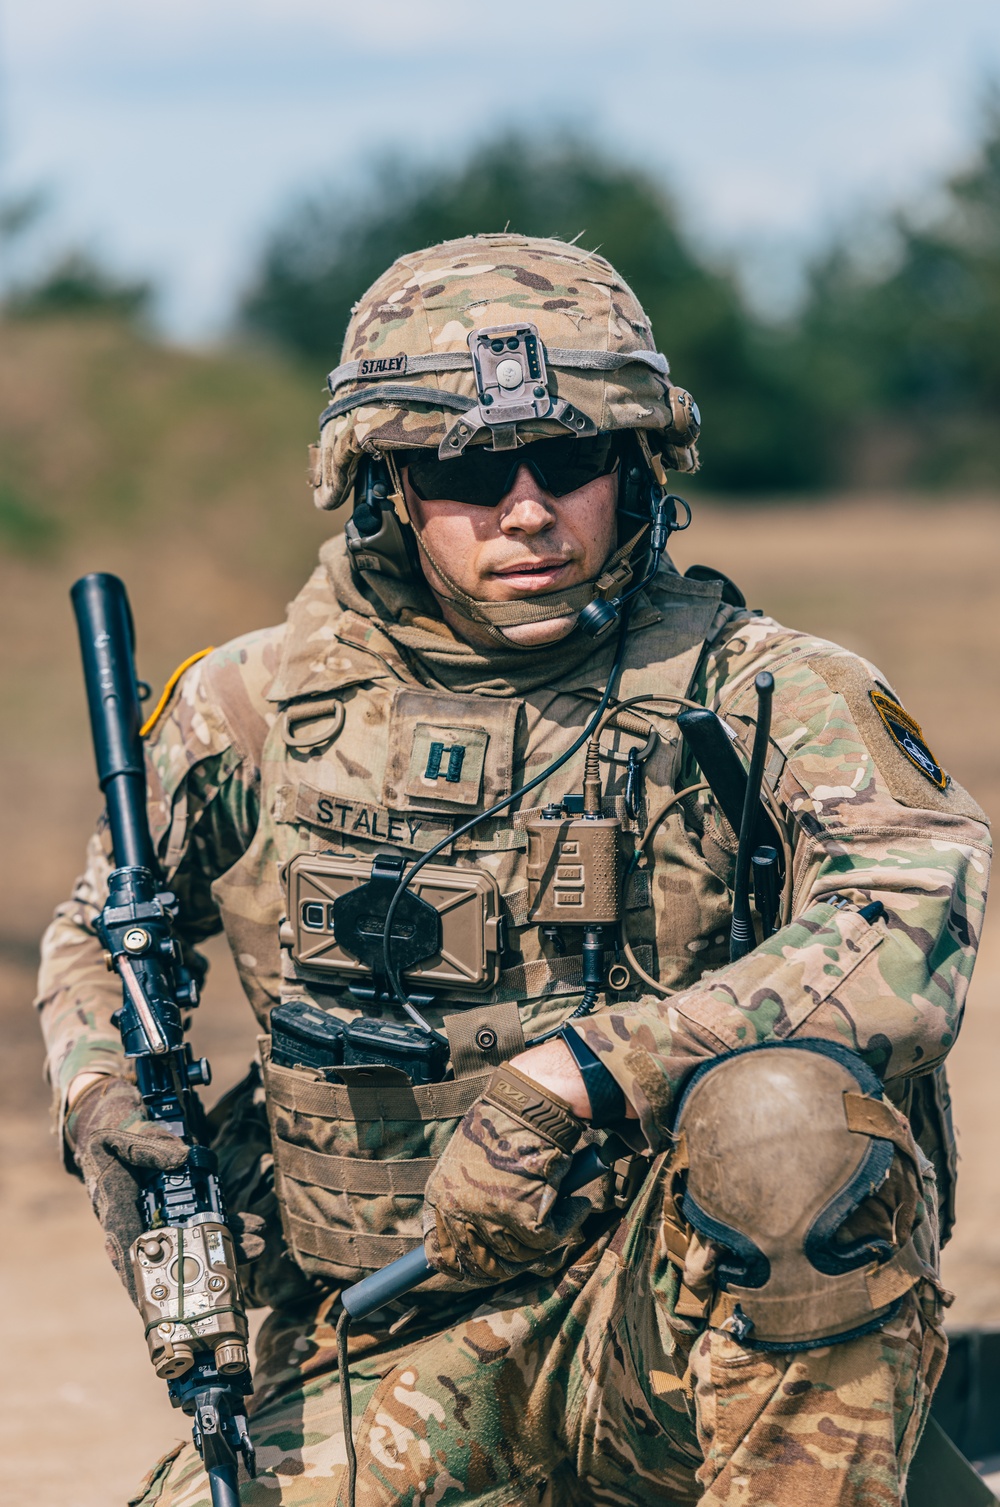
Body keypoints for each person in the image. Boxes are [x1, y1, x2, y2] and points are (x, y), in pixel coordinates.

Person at [37, 234, 990, 1507]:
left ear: (638, 464)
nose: (528, 508)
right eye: (469, 467)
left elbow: (913, 910)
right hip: (390, 1334)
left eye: (573, 458)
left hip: (679, 1331)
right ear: (384, 486)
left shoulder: (760, 688)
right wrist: (99, 1096)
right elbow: (106, 928)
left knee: (783, 1117)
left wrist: (592, 1073)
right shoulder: (253, 706)